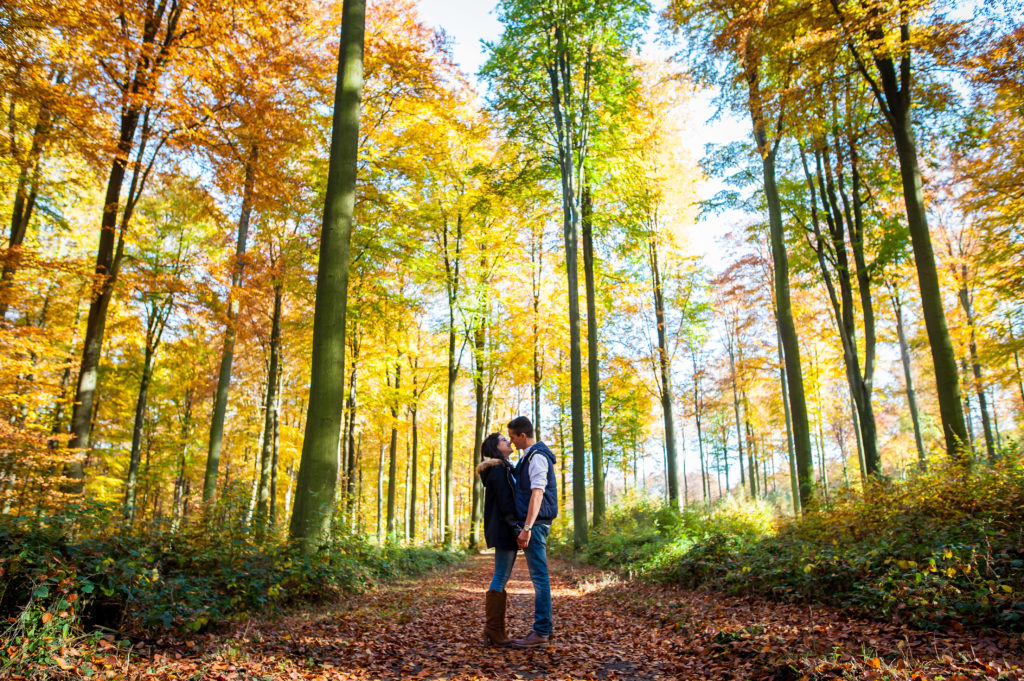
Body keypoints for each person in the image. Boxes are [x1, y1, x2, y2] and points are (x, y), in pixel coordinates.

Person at [506, 415, 558, 649]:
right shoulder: (529, 457)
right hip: (534, 525)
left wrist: (527, 528)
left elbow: (537, 493)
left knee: (539, 578)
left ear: (523, 436)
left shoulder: (537, 457)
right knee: (539, 578)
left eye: (513, 437)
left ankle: (541, 632)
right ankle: (543, 630)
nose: (512, 442)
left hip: (535, 526)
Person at [477, 432, 521, 646]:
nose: (508, 442)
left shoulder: (502, 468)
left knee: (501, 575)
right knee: (501, 576)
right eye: (504, 440)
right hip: (504, 528)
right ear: (496, 448)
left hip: (502, 527)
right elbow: (506, 501)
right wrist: (516, 527)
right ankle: (493, 630)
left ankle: (494, 630)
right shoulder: (499, 469)